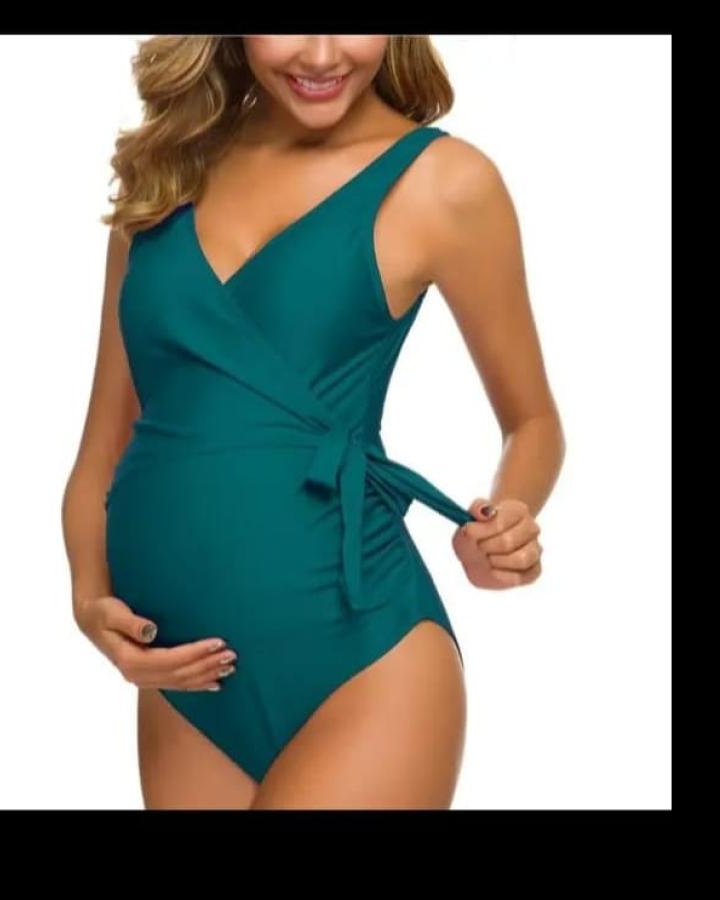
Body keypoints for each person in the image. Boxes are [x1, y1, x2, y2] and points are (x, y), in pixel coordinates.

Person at [61, 35, 565, 810]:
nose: (323, 54)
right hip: (188, 682)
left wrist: (506, 519)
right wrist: (89, 598)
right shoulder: (164, 174)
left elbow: (532, 421)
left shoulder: (444, 183)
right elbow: (104, 447)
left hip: (362, 661)